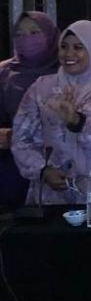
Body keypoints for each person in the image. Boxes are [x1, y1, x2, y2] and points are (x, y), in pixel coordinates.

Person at [12, 20, 91, 205]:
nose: (69, 53)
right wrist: (42, 170)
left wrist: (77, 120)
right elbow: (21, 138)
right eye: (64, 47)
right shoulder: (42, 87)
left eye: (78, 47)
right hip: (54, 191)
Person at [0, 12, 60, 206]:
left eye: (35, 32)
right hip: (14, 166)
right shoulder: (4, 72)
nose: (27, 39)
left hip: (62, 162)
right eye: (19, 34)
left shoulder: (67, 68)